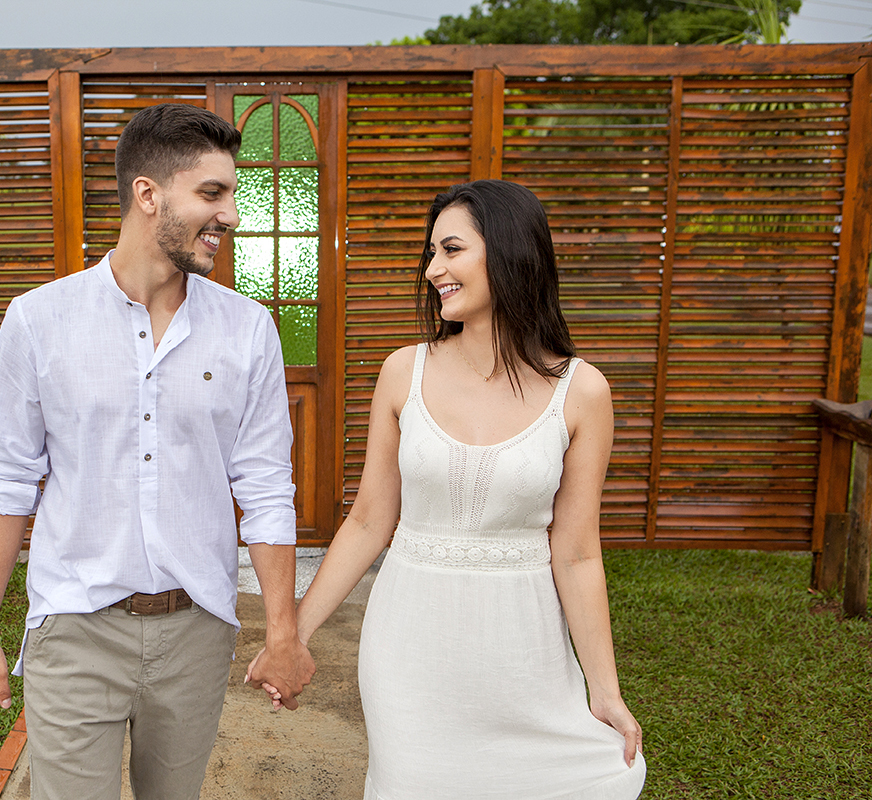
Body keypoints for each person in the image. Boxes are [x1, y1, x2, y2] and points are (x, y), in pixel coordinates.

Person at [0, 103, 315, 800]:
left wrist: (283, 632)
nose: (231, 214)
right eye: (212, 193)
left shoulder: (248, 330)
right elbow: (8, 479)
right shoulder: (38, 320)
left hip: (196, 631)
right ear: (147, 194)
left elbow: (267, 487)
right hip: (75, 627)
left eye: (233, 194)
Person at [270, 180, 646, 798]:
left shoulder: (583, 392)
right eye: (431, 253)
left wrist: (604, 691)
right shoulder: (403, 372)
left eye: (451, 250)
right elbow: (368, 521)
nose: (432, 270)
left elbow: (578, 553)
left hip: (526, 656)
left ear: (509, 251)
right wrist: (294, 635)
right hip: (409, 649)